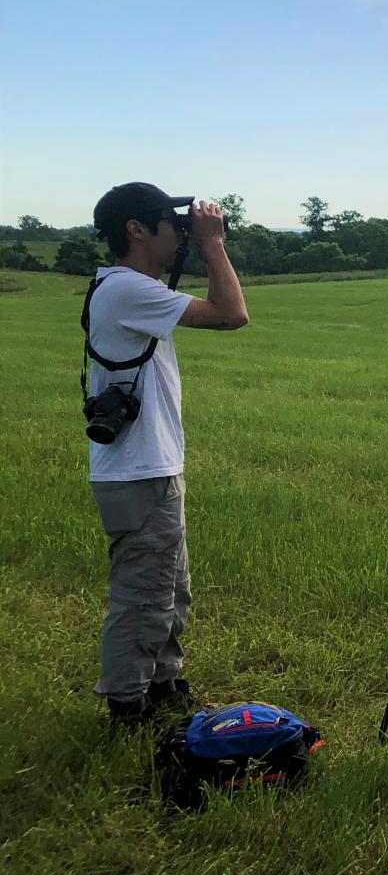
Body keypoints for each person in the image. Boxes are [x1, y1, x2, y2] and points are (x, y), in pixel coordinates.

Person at [87, 182, 249, 728]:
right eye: (168, 222)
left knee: (169, 587)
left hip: (150, 467)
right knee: (142, 593)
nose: (178, 232)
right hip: (137, 473)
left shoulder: (126, 287)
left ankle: (162, 683)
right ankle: (127, 707)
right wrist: (213, 244)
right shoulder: (126, 289)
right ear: (135, 229)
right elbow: (231, 313)